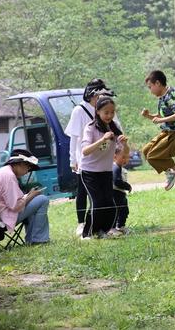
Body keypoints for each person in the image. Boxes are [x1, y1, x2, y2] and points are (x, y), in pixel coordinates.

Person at [64, 78, 115, 237]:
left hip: (102, 158)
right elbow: (74, 137)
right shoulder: (79, 110)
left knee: (102, 198)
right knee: (83, 192)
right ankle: (82, 224)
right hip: (85, 158)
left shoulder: (107, 111)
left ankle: (101, 227)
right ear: (93, 95)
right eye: (100, 94)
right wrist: (73, 160)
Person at [0, 149, 50, 245]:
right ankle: (38, 239)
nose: (28, 170)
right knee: (43, 199)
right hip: (3, 218)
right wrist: (31, 196)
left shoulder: (3, 173)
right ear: (19, 164)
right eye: (27, 166)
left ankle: (33, 239)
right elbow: (15, 206)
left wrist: (29, 196)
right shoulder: (9, 177)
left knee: (35, 201)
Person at [80, 96, 129, 239]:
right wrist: (103, 139)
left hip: (106, 172)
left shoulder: (115, 128)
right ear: (98, 112)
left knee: (109, 202)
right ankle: (87, 234)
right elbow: (85, 151)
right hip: (89, 171)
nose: (109, 115)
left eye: (112, 112)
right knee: (97, 202)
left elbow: (124, 153)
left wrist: (125, 144)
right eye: (106, 112)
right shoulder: (90, 128)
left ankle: (104, 230)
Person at [141, 70, 175, 190]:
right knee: (146, 151)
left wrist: (161, 120)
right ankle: (170, 172)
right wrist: (149, 116)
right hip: (166, 131)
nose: (150, 90)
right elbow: (161, 116)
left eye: (150, 87)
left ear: (157, 83)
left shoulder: (172, 94)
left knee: (153, 156)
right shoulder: (162, 98)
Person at [112, 144, 132, 234]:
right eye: (123, 157)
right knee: (116, 211)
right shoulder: (115, 167)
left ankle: (121, 226)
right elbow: (117, 181)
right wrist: (128, 186)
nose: (125, 160)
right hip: (116, 193)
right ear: (115, 156)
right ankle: (114, 227)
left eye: (127, 157)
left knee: (124, 211)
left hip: (121, 194)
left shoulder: (120, 167)